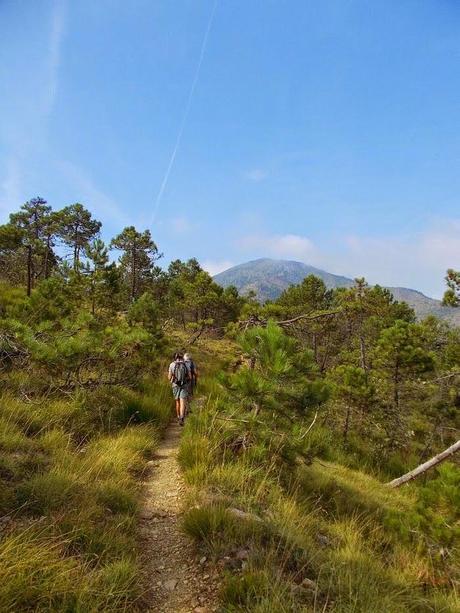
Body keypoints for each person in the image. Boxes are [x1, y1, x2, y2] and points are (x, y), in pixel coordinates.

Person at [168, 352, 191, 426]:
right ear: (182, 357)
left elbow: (169, 377)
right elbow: (190, 377)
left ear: (174, 357)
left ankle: (178, 417)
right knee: (182, 402)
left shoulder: (172, 364)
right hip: (184, 385)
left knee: (177, 402)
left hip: (175, 385)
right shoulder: (186, 364)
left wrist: (173, 378)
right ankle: (182, 417)